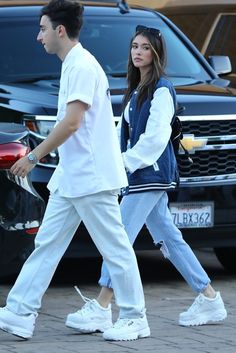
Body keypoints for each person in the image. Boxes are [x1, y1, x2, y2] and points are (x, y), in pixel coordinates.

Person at [0, 0, 150, 342]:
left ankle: (135, 316)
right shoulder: (73, 64)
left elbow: (71, 123)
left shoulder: (82, 65)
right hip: (73, 176)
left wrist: (34, 156)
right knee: (47, 244)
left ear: (60, 30)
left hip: (93, 177)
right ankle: (20, 312)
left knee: (115, 248)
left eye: (42, 29)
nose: (39, 37)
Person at [66, 24, 227, 332]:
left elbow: (154, 139)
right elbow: (121, 134)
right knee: (169, 236)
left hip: (150, 174)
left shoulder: (162, 89)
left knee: (119, 236)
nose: (137, 52)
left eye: (144, 48)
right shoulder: (136, 89)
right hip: (140, 175)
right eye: (134, 47)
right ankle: (208, 297)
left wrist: (122, 164)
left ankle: (102, 305)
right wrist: (108, 160)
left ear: (156, 54)